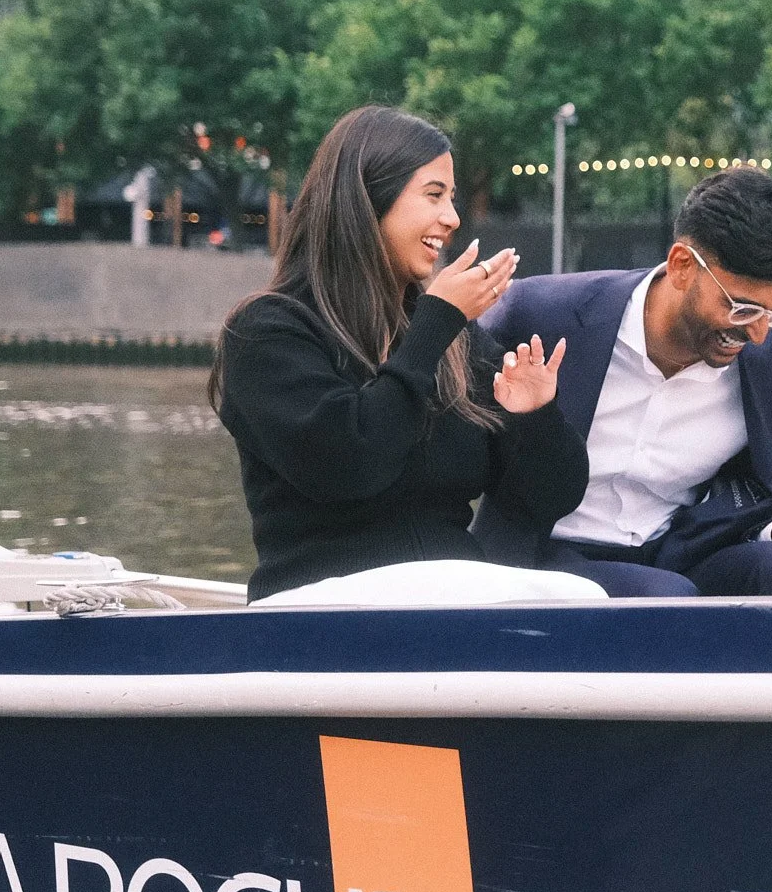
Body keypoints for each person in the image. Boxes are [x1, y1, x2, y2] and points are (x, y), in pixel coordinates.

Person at [212, 106, 593, 605]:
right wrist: (434, 326)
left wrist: (536, 418)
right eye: (434, 195)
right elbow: (353, 464)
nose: (452, 218)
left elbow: (549, 501)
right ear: (367, 200)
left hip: (446, 598)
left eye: (452, 198)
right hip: (321, 605)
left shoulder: (452, 339)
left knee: (585, 598)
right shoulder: (267, 331)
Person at [473, 166, 772, 597]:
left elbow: (769, 497)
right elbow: (454, 453)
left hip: (684, 553)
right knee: (665, 597)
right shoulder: (539, 315)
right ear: (682, 266)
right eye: (742, 309)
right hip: (547, 555)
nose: (758, 334)